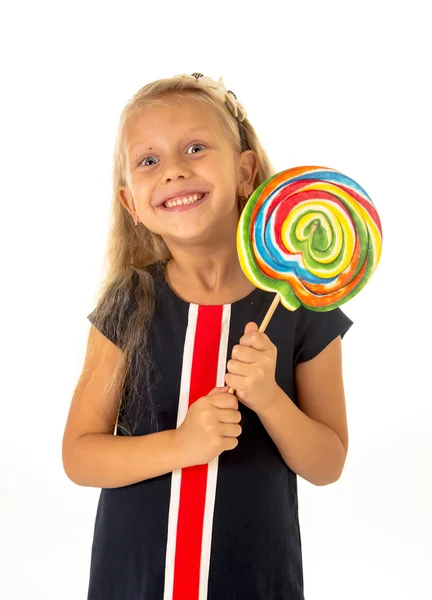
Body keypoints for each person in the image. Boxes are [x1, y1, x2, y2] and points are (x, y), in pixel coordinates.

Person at [62, 72, 353, 600]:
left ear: (245, 172)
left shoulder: (301, 304)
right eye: (149, 160)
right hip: (135, 582)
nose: (173, 171)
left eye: (195, 148)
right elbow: (79, 456)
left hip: (254, 582)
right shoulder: (129, 304)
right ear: (132, 202)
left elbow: (327, 464)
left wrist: (269, 398)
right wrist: (182, 445)